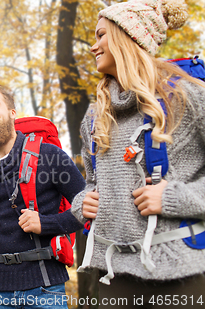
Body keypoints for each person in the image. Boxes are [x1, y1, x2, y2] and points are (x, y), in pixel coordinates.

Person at [71, 0, 205, 307]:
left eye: (101, 35)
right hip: (113, 279)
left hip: (183, 279)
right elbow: (92, 182)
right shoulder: (94, 117)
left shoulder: (189, 97)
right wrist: (84, 201)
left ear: (129, 36)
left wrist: (173, 197)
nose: (94, 46)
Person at [0, 85, 85, 308]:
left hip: (45, 289)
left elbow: (87, 206)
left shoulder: (50, 156)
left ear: (12, 113)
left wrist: (46, 223)